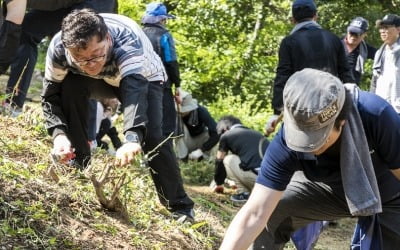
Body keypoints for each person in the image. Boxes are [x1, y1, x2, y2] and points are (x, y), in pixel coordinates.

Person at [220, 68, 400, 250]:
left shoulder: (376, 115)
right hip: (327, 190)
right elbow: (255, 212)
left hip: (389, 196)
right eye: (302, 140)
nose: (310, 148)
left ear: (341, 121)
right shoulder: (285, 140)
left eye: (318, 140)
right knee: (274, 208)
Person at [41, 9, 195, 222]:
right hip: (98, 82)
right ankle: (77, 161)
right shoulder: (58, 49)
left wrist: (132, 138)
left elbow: (135, 95)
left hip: (144, 78)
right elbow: (50, 96)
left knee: (151, 136)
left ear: (107, 39)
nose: (91, 64)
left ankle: (180, 206)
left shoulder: (127, 42)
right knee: (69, 84)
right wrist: (58, 134)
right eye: (81, 59)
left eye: (96, 54)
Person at [1, 0, 118, 116]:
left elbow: (10, 36)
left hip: (94, 2)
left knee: (84, 55)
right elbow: (7, 36)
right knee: (25, 31)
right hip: (61, 6)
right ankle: (13, 105)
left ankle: (86, 131)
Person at [265, 0, 354, 136]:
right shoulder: (334, 39)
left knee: (291, 151)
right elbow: (346, 75)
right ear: (316, 16)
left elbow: (282, 77)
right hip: (330, 108)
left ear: (293, 19)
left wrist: (277, 112)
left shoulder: (289, 42)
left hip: (301, 109)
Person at [141, 2, 182, 137]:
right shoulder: (164, 35)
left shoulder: (138, 33)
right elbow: (170, 62)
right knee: (167, 125)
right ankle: (164, 155)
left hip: (139, 84)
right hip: (161, 85)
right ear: (161, 19)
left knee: (143, 123)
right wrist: (177, 85)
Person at [213, 115, 269, 203]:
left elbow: (219, 160)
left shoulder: (226, 135)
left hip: (258, 182)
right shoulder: (256, 133)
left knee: (228, 159)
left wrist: (218, 183)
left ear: (224, 129)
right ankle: (251, 193)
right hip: (272, 184)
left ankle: (244, 193)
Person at [175, 90, 219, 161]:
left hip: (200, 139)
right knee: (178, 126)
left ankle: (203, 158)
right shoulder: (175, 113)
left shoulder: (201, 111)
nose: (180, 112)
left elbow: (216, 133)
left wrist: (202, 150)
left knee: (209, 132)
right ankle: (183, 158)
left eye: (183, 110)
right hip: (185, 141)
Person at [370, 14, 400, 114]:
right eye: (381, 28)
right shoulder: (379, 53)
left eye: (386, 27)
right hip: (380, 109)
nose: (382, 31)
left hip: (397, 110)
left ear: (398, 30)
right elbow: (374, 82)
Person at [342, 17, 377, 85]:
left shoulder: (365, 49)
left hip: (353, 89)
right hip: (334, 86)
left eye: (357, 34)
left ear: (364, 34)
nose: (353, 37)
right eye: (351, 33)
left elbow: (384, 56)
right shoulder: (336, 44)